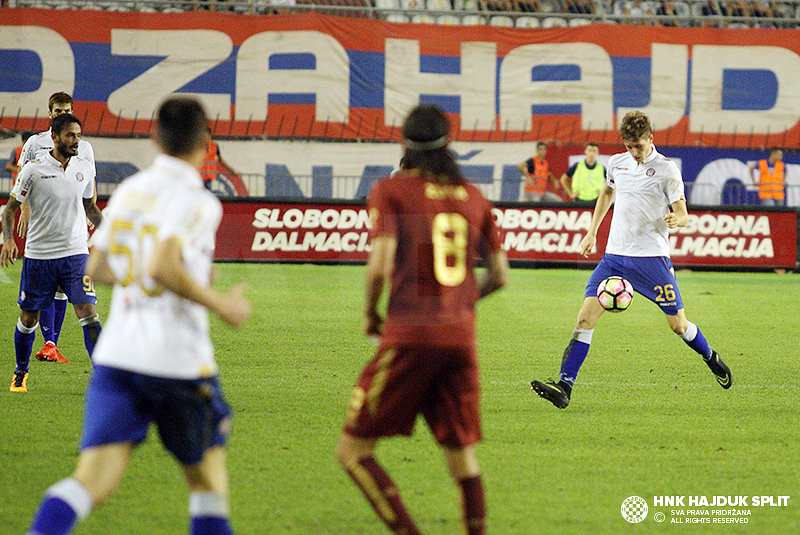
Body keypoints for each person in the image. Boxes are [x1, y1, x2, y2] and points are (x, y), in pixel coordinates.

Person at [25, 97, 250, 535]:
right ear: (207, 142)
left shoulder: (132, 190)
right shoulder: (199, 201)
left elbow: (99, 267)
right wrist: (221, 302)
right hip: (178, 362)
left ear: (154, 138)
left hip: (120, 359)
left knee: (89, 483)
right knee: (207, 483)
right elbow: (162, 266)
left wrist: (177, 271)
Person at [335, 105, 508, 535]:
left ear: (403, 144)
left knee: (353, 451)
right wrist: (464, 303)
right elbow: (500, 274)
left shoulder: (392, 191)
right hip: (460, 337)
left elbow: (379, 265)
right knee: (461, 454)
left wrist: (371, 313)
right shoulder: (474, 196)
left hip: (409, 334)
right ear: (450, 144)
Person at [530, 111, 733, 409]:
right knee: (584, 318)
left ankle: (710, 356)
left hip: (651, 260)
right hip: (614, 258)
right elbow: (607, 193)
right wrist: (591, 232)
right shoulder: (617, 163)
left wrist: (677, 219)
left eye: (638, 145)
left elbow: (683, 212)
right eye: (628, 146)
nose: (633, 152)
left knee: (677, 325)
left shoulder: (666, 170)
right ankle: (564, 387)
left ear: (650, 138)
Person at [1, 113, 104, 393]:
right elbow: (10, 208)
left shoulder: (83, 167)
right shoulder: (33, 170)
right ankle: (20, 371)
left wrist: (111, 240)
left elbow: (90, 207)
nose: (76, 140)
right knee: (28, 318)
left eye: (79, 135)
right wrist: (8, 240)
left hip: (76, 254)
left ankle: (106, 382)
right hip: (39, 256)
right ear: (55, 137)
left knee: (89, 312)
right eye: (71, 135)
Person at [18, 92, 98, 364]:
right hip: (43, 226)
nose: (62, 114)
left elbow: (89, 191)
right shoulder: (34, 143)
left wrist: (90, 214)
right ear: (49, 113)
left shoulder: (84, 149)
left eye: (67, 110)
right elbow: (23, 182)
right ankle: (31, 357)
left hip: (73, 236)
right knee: (34, 306)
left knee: (71, 296)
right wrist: (25, 210)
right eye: (58, 111)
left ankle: (52, 342)